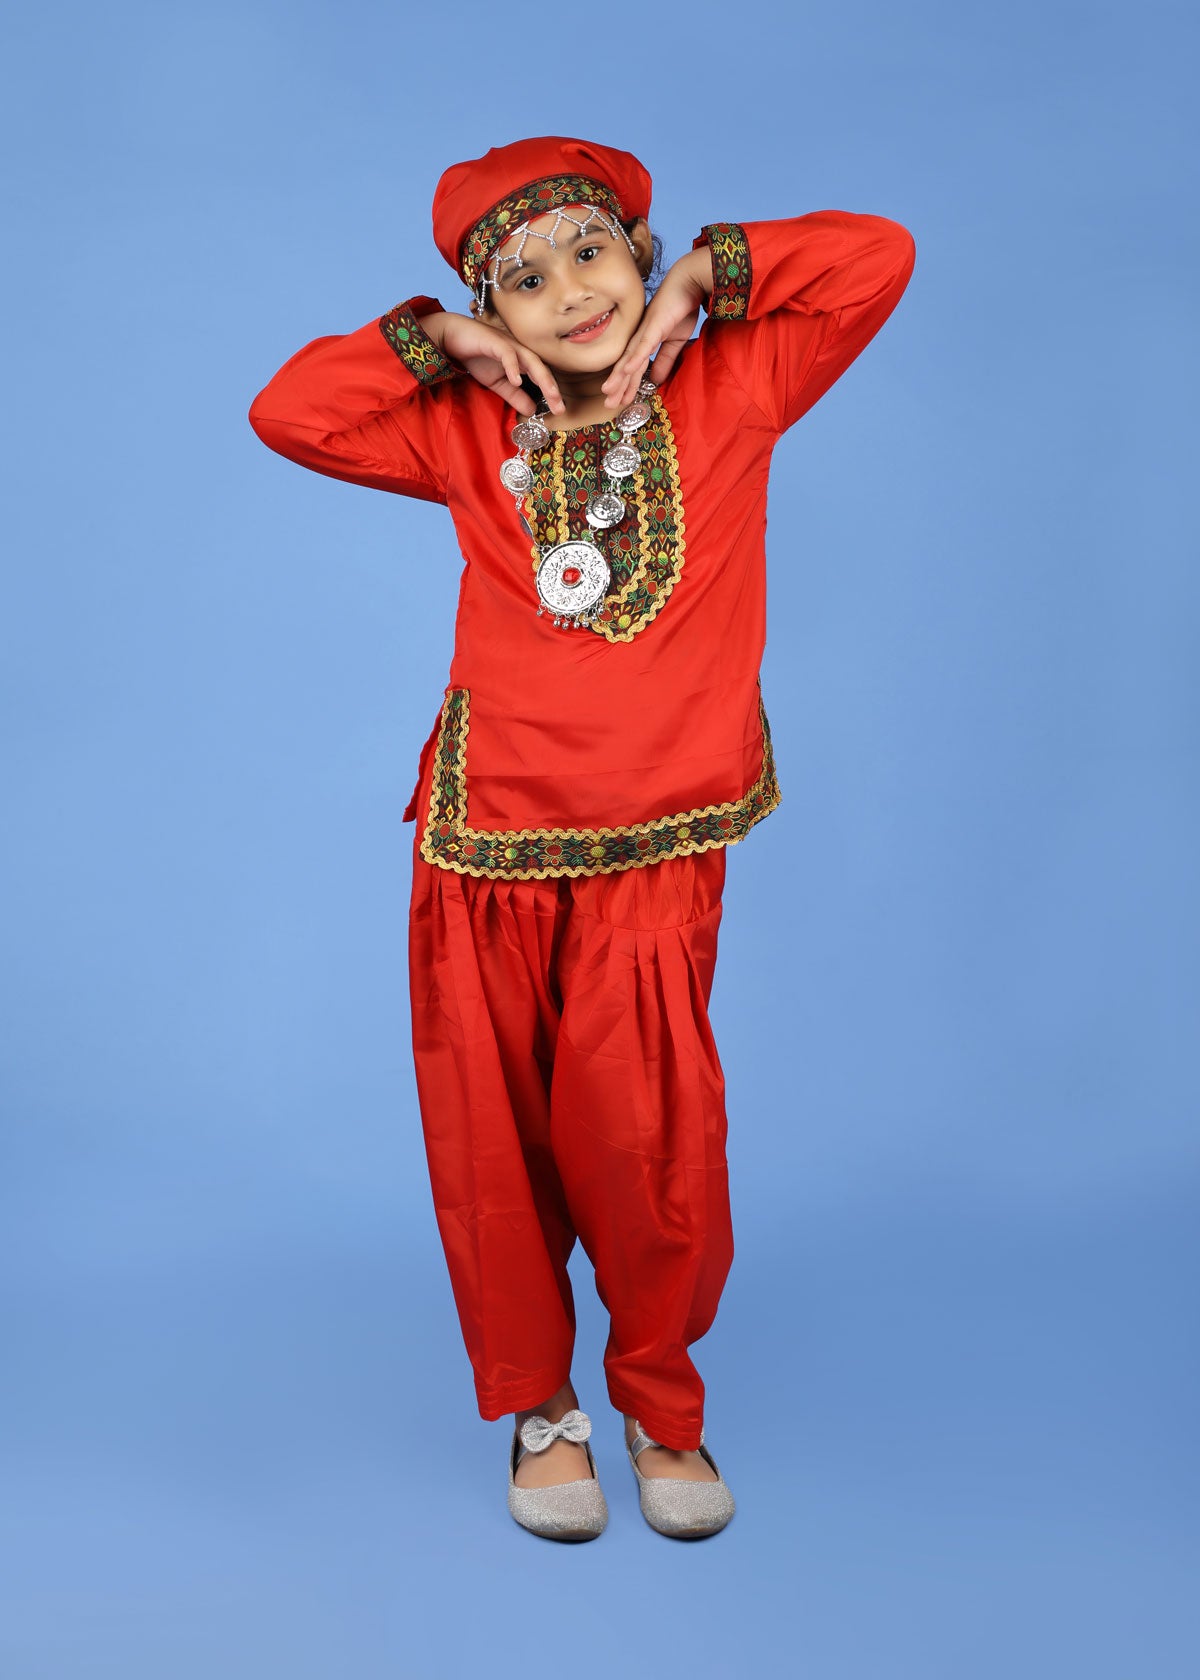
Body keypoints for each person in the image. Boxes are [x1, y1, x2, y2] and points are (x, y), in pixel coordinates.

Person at [249, 135, 915, 1542]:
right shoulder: (462, 423)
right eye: (525, 280)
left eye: (593, 256)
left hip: (658, 844)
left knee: (650, 1138)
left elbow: (878, 257)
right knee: (498, 1142)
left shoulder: (741, 381)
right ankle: (540, 1409)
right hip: (486, 842)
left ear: (640, 254)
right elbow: (291, 412)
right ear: (498, 311)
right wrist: (435, 340)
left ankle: (660, 1401)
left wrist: (705, 289)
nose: (571, 296)